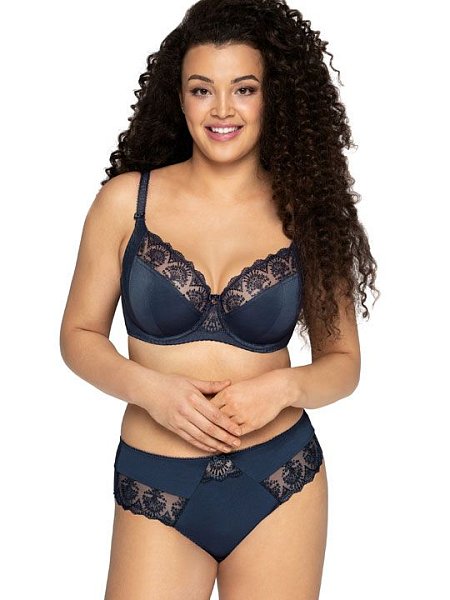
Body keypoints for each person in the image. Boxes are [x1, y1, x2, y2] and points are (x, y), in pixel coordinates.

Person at [60, 0, 379, 598]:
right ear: (179, 98)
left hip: (279, 478)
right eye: (202, 90)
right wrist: (151, 390)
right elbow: (78, 336)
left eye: (245, 89)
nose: (223, 110)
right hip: (156, 481)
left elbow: (344, 365)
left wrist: (280, 389)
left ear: (272, 98)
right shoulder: (126, 203)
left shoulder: (310, 213)